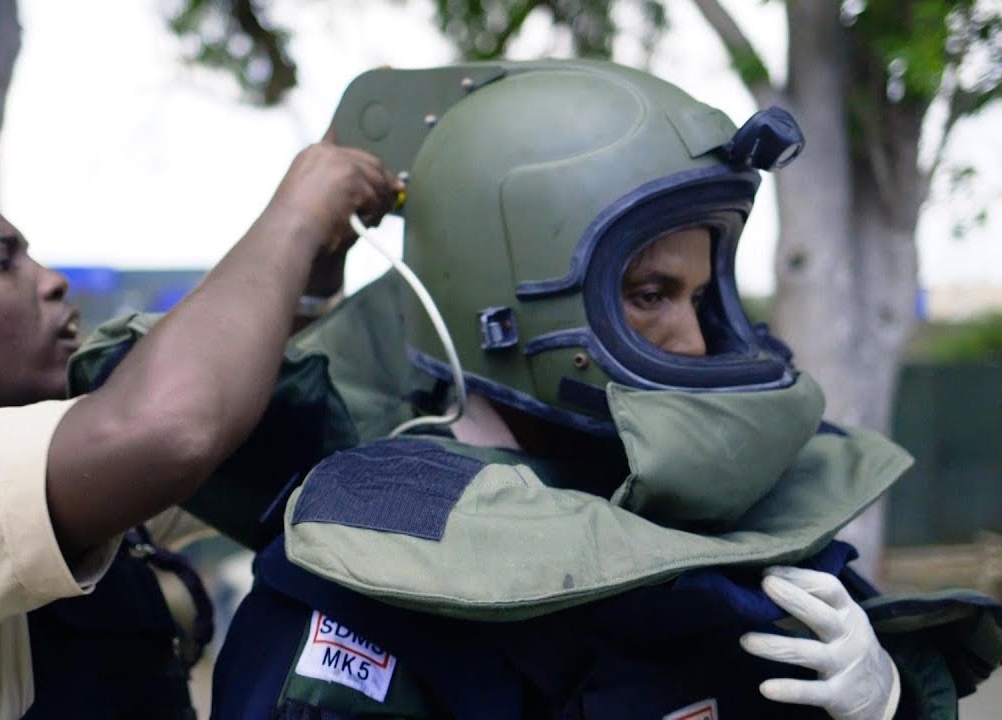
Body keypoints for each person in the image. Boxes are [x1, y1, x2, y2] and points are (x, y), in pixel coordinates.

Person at [164, 60, 1000, 719]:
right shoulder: (370, 564)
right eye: (650, 294)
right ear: (500, 308)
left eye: (701, 295)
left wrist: (891, 701)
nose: (697, 338)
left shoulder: (728, 500)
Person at [0, 135, 401, 718]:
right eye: (0, 263)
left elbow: (224, 407)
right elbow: (172, 427)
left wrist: (309, 272)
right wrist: (293, 218)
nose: (53, 281)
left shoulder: (39, 474)